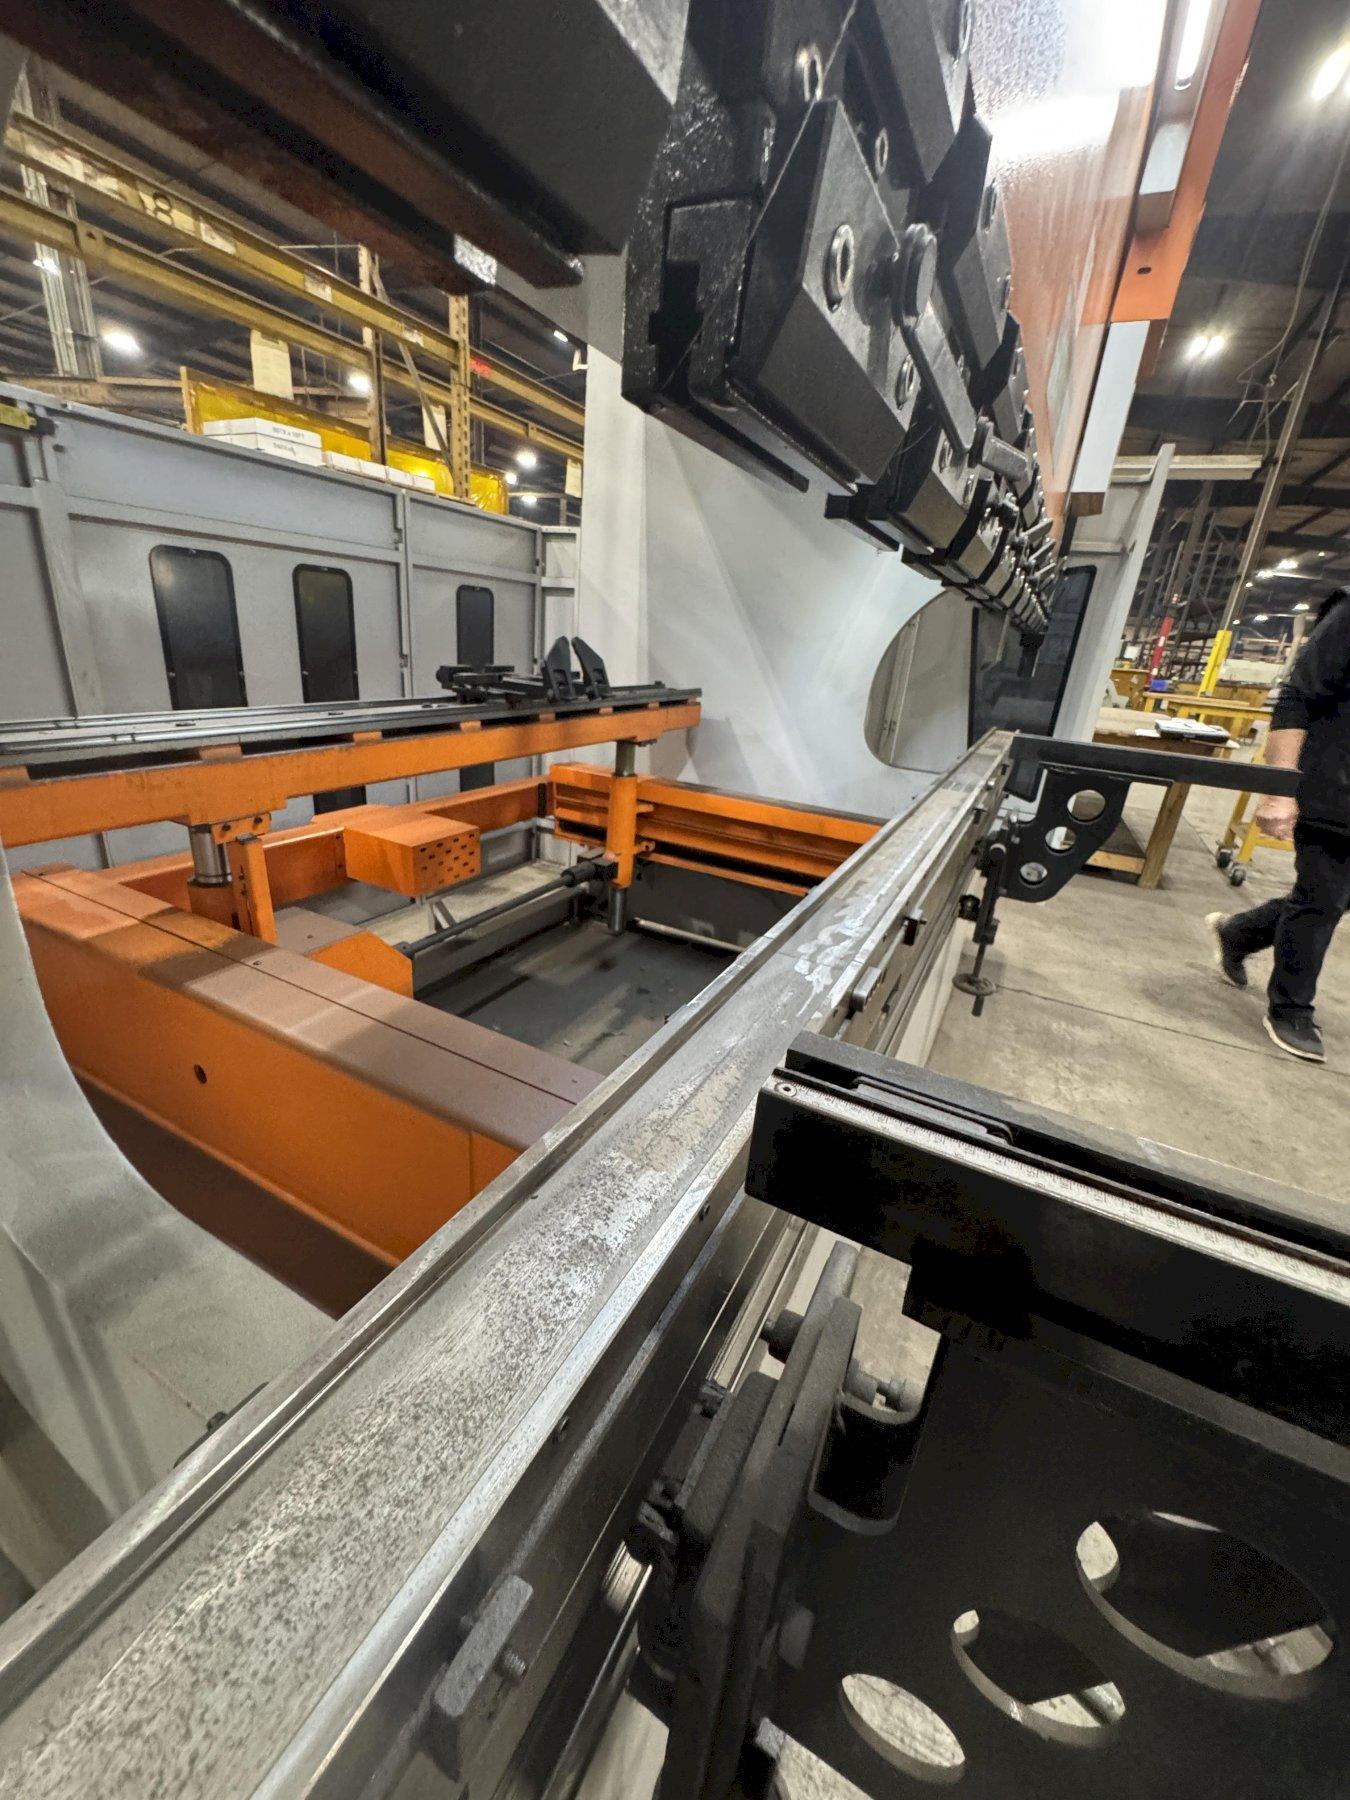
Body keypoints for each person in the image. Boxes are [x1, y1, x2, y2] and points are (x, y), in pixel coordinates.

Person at [1209, 586, 1350, 1063]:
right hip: (1334, 790)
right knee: (1321, 898)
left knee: (1332, 898)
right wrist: (1279, 790)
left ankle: (1239, 933)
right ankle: (1290, 1009)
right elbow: (1297, 698)